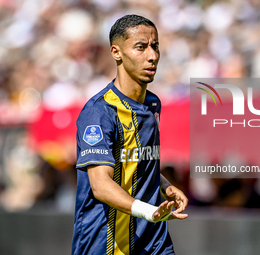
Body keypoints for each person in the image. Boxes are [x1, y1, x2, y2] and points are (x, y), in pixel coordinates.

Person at [71, 14, 188, 255]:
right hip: (106, 243)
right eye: (140, 47)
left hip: (153, 240)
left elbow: (138, 161)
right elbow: (101, 185)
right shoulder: (99, 112)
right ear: (116, 52)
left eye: (155, 46)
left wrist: (164, 185)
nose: (152, 56)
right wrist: (149, 211)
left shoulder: (153, 104)